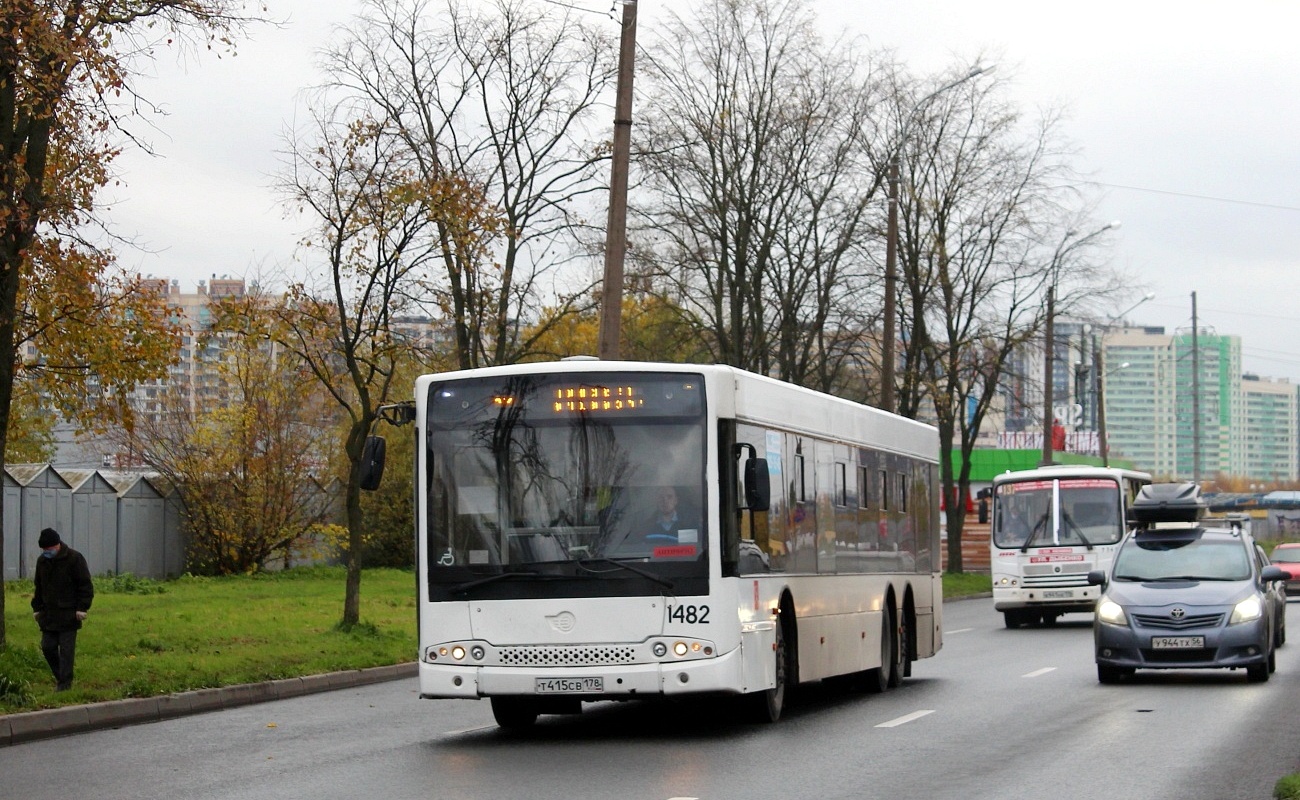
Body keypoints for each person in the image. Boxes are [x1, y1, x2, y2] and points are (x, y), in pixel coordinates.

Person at [31, 528, 94, 692]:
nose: (46, 552)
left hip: (69, 614)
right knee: (47, 647)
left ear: (57, 545)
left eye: (49, 549)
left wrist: (82, 607)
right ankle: (61, 676)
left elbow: (85, 585)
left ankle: (65, 684)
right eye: (44, 550)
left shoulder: (74, 559)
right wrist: (36, 607)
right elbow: (39, 587)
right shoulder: (42, 562)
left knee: (66, 651)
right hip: (49, 615)